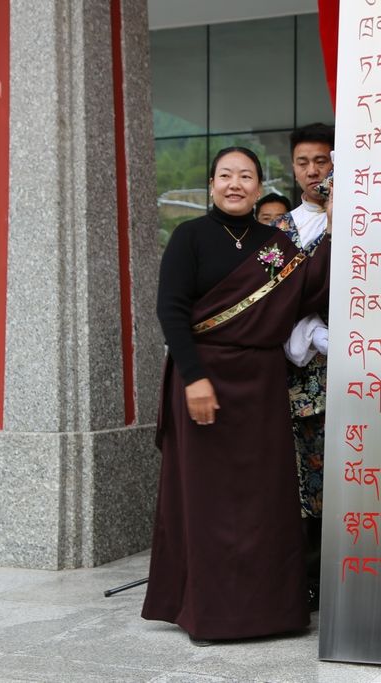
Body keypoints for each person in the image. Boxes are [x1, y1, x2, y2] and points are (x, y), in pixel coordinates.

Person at [142, 146, 331, 645]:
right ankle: (211, 614)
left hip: (262, 383)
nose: (235, 184)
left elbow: (310, 291)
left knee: (265, 500)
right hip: (204, 378)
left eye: (246, 176)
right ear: (211, 185)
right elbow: (171, 309)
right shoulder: (189, 237)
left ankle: (271, 613)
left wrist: (335, 232)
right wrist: (193, 378)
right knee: (208, 501)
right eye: (225, 175)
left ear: (258, 186)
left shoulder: (277, 244)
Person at [273, 122, 335, 608]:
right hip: (306, 378)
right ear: (293, 169)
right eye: (303, 162)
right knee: (311, 476)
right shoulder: (280, 231)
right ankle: (313, 577)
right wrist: (313, 332)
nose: (314, 171)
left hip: (365, 369)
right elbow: (277, 299)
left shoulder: (369, 219)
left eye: (322, 161)